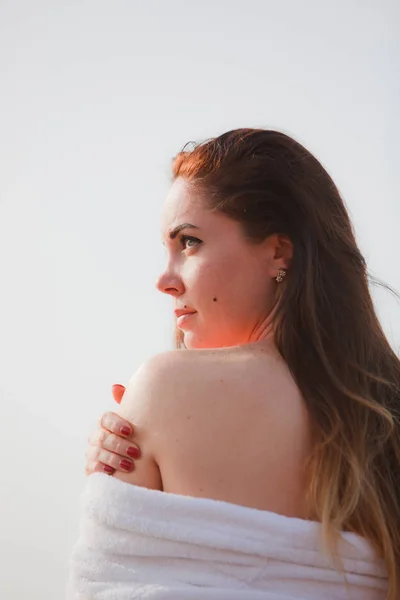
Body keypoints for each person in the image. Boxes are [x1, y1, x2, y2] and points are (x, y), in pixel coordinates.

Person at [72, 128, 400, 599]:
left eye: (189, 242)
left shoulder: (165, 389)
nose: (164, 280)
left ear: (277, 252)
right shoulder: (389, 412)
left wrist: (114, 475)